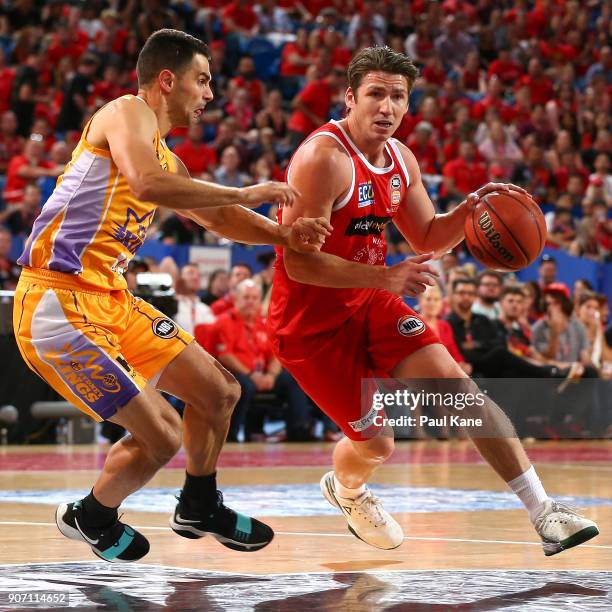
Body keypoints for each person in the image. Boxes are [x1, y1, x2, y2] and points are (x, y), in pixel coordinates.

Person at [12, 29, 330, 563]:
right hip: (57, 304)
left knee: (220, 393)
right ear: (167, 79)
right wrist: (240, 188)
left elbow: (219, 217)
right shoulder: (126, 111)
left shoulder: (168, 158)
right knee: (160, 434)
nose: (209, 94)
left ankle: (199, 503)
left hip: (111, 298)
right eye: (201, 80)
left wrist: (282, 234)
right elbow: (145, 184)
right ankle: (91, 513)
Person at [268, 46, 598, 554]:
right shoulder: (322, 160)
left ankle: (543, 510)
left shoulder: (401, 160)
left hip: (371, 299)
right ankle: (348, 490)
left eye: (397, 96)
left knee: (457, 389)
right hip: (310, 323)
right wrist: (384, 278)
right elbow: (298, 263)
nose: (387, 107)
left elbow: (425, 236)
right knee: (376, 444)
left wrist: (472, 212)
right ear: (351, 98)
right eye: (376, 94)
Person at [211, 279, 313, 442]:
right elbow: (225, 356)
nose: (251, 302)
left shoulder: (264, 323)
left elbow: (275, 355)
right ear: (236, 299)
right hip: (236, 373)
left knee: (292, 380)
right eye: (246, 297)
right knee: (244, 385)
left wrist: (271, 375)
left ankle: (299, 430)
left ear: (260, 300)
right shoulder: (224, 321)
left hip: (262, 373)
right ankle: (231, 435)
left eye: (254, 298)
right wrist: (252, 375)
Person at [174, 263, 216, 334]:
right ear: (180, 278)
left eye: (199, 275)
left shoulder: (205, 309)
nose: (195, 277)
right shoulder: (172, 305)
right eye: (190, 273)